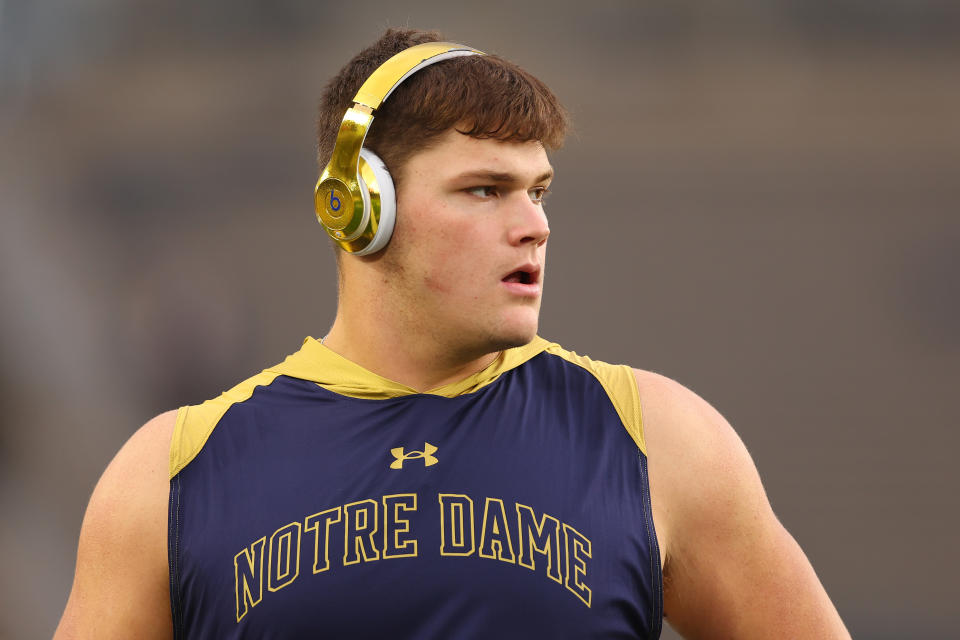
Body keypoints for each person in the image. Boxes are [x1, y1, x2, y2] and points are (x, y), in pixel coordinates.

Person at [55, 28, 850, 639]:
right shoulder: (170, 475)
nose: (533, 226)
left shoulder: (660, 441)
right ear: (358, 208)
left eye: (538, 192)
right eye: (484, 190)